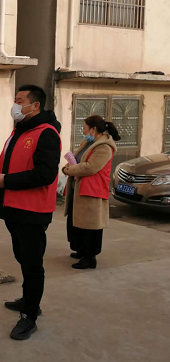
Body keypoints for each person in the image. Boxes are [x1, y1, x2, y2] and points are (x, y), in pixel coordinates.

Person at [0, 85, 61, 341]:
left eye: (20, 101)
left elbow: (45, 174)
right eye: (15, 100)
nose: (16, 105)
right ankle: (29, 299)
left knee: (32, 264)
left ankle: (29, 316)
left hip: (32, 210)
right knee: (21, 256)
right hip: (14, 207)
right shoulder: (21, 130)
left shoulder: (46, 133)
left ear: (35, 105)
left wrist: (7, 181)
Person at [62, 115, 120, 269]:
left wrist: (70, 170)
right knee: (77, 223)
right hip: (79, 188)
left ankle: (90, 258)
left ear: (93, 129)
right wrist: (68, 167)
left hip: (92, 190)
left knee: (89, 225)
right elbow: (78, 160)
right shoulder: (89, 142)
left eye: (85, 128)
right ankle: (81, 250)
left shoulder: (104, 147)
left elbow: (90, 167)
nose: (83, 131)